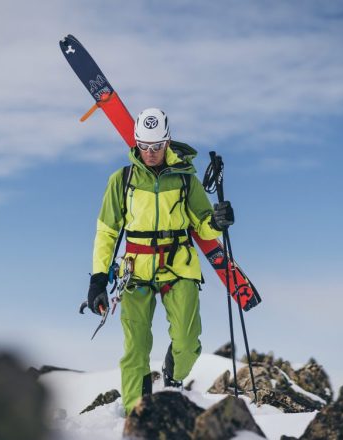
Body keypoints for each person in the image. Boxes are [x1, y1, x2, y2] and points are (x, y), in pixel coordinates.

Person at [86, 108, 235, 414]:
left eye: (156, 146)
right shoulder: (122, 180)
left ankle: (174, 374)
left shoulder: (185, 180)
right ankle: (136, 414)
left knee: (187, 340)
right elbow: (106, 232)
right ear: (136, 142)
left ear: (167, 141)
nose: (150, 153)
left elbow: (203, 225)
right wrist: (98, 279)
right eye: (144, 146)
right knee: (136, 349)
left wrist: (218, 222)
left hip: (178, 266)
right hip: (135, 272)